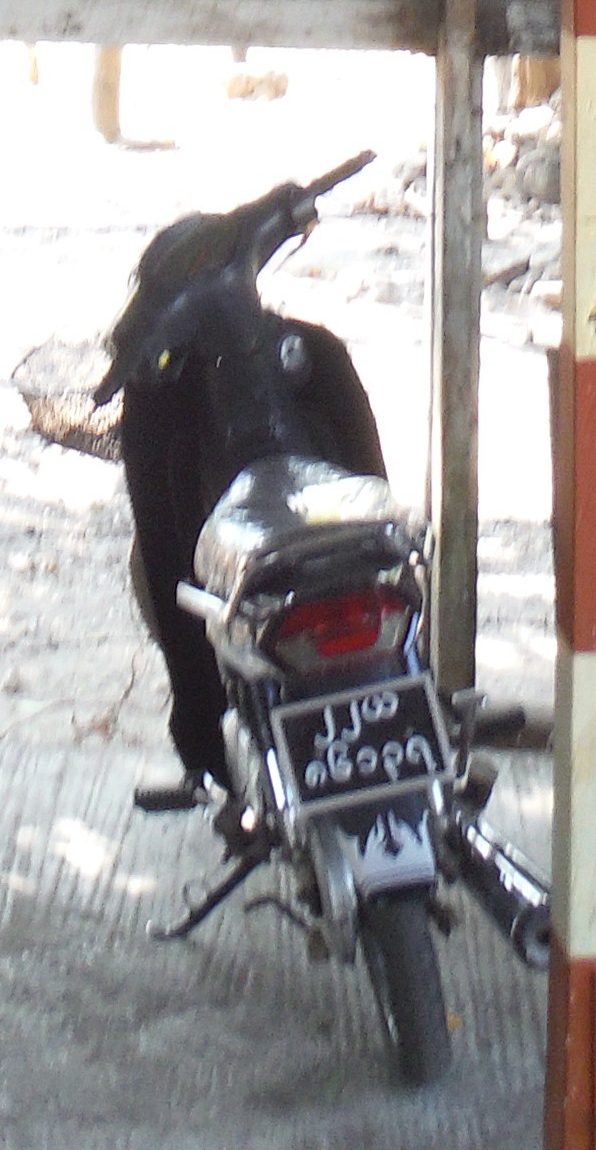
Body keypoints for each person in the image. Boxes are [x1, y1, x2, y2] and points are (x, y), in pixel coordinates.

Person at [103, 197, 389, 811]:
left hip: (260, 586)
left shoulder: (154, 404)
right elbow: (375, 488)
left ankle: (217, 746)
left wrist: (200, 732)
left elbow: (166, 562)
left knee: (170, 578)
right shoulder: (317, 350)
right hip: (355, 562)